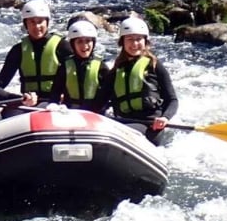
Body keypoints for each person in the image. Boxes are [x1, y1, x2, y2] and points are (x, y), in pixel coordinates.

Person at [107, 15, 179, 145]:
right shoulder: (116, 70)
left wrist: (165, 117)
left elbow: (172, 100)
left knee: (127, 134)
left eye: (138, 39)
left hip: (150, 126)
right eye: (130, 39)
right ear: (122, 42)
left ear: (145, 41)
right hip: (123, 123)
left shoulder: (155, 66)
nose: (134, 44)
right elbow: (100, 101)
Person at [0, 0, 72, 103]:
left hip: (56, 103)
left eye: (40, 21)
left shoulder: (62, 47)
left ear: (47, 22)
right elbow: (1, 82)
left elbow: (78, 76)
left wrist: (67, 94)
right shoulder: (18, 50)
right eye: (32, 22)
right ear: (26, 24)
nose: (36, 26)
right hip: (28, 103)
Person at [43, 19, 110, 114]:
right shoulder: (65, 66)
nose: (84, 45)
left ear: (93, 43)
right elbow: (56, 92)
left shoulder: (102, 68)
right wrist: (53, 104)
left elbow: (108, 96)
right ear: (73, 44)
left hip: (95, 115)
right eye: (80, 42)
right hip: (70, 113)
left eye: (88, 41)